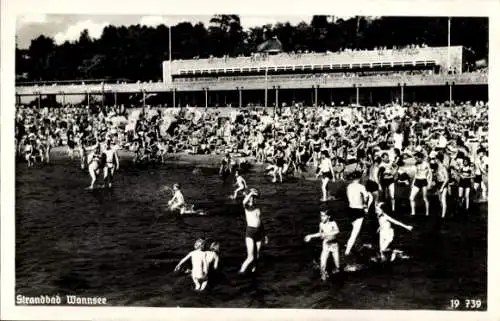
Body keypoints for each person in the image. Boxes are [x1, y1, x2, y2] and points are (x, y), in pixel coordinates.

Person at [304, 210, 340, 281]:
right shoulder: (321, 224)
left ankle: (336, 275)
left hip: (334, 246)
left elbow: (337, 231)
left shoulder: (333, 223)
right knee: (322, 265)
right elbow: (320, 233)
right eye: (321, 216)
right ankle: (323, 277)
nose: (322, 218)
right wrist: (311, 236)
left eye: (324, 216)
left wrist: (326, 234)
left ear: (329, 216)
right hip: (326, 245)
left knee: (337, 266)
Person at [239, 188, 268, 274]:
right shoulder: (247, 207)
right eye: (251, 197)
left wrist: (265, 235)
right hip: (250, 232)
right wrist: (250, 193)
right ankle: (240, 272)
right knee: (250, 257)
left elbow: (261, 222)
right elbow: (244, 202)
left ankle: (253, 271)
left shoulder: (257, 208)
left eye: (254, 197)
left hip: (259, 232)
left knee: (257, 255)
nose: (252, 198)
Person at [345, 171, 373, 257]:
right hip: (359, 210)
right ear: (359, 178)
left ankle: (357, 245)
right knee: (355, 232)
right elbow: (367, 197)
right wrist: (366, 206)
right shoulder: (361, 187)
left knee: (356, 229)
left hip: (350, 210)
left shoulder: (349, 186)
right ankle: (347, 251)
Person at [409, 152, 432, 216]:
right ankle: (413, 212)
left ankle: (427, 212)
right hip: (417, 180)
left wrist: (429, 182)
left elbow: (430, 173)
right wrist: (413, 183)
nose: (416, 160)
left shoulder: (426, 164)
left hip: (424, 180)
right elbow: (416, 173)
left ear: (420, 158)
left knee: (424, 197)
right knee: (411, 197)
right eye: (415, 159)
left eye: (417, 158)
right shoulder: (416, 164)